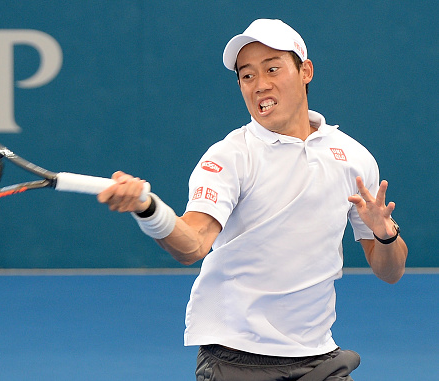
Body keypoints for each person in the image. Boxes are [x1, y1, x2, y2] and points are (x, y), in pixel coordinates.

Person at [97, 18, 408, 381]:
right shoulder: (229, 157)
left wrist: (385, 234)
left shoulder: (353, 158)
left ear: (305, 71)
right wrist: (147, 208)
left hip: (319, 356)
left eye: (272, 68)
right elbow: (192, 245)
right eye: (247, 76)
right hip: (236, 358)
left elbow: (390, 272)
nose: (259, 85)